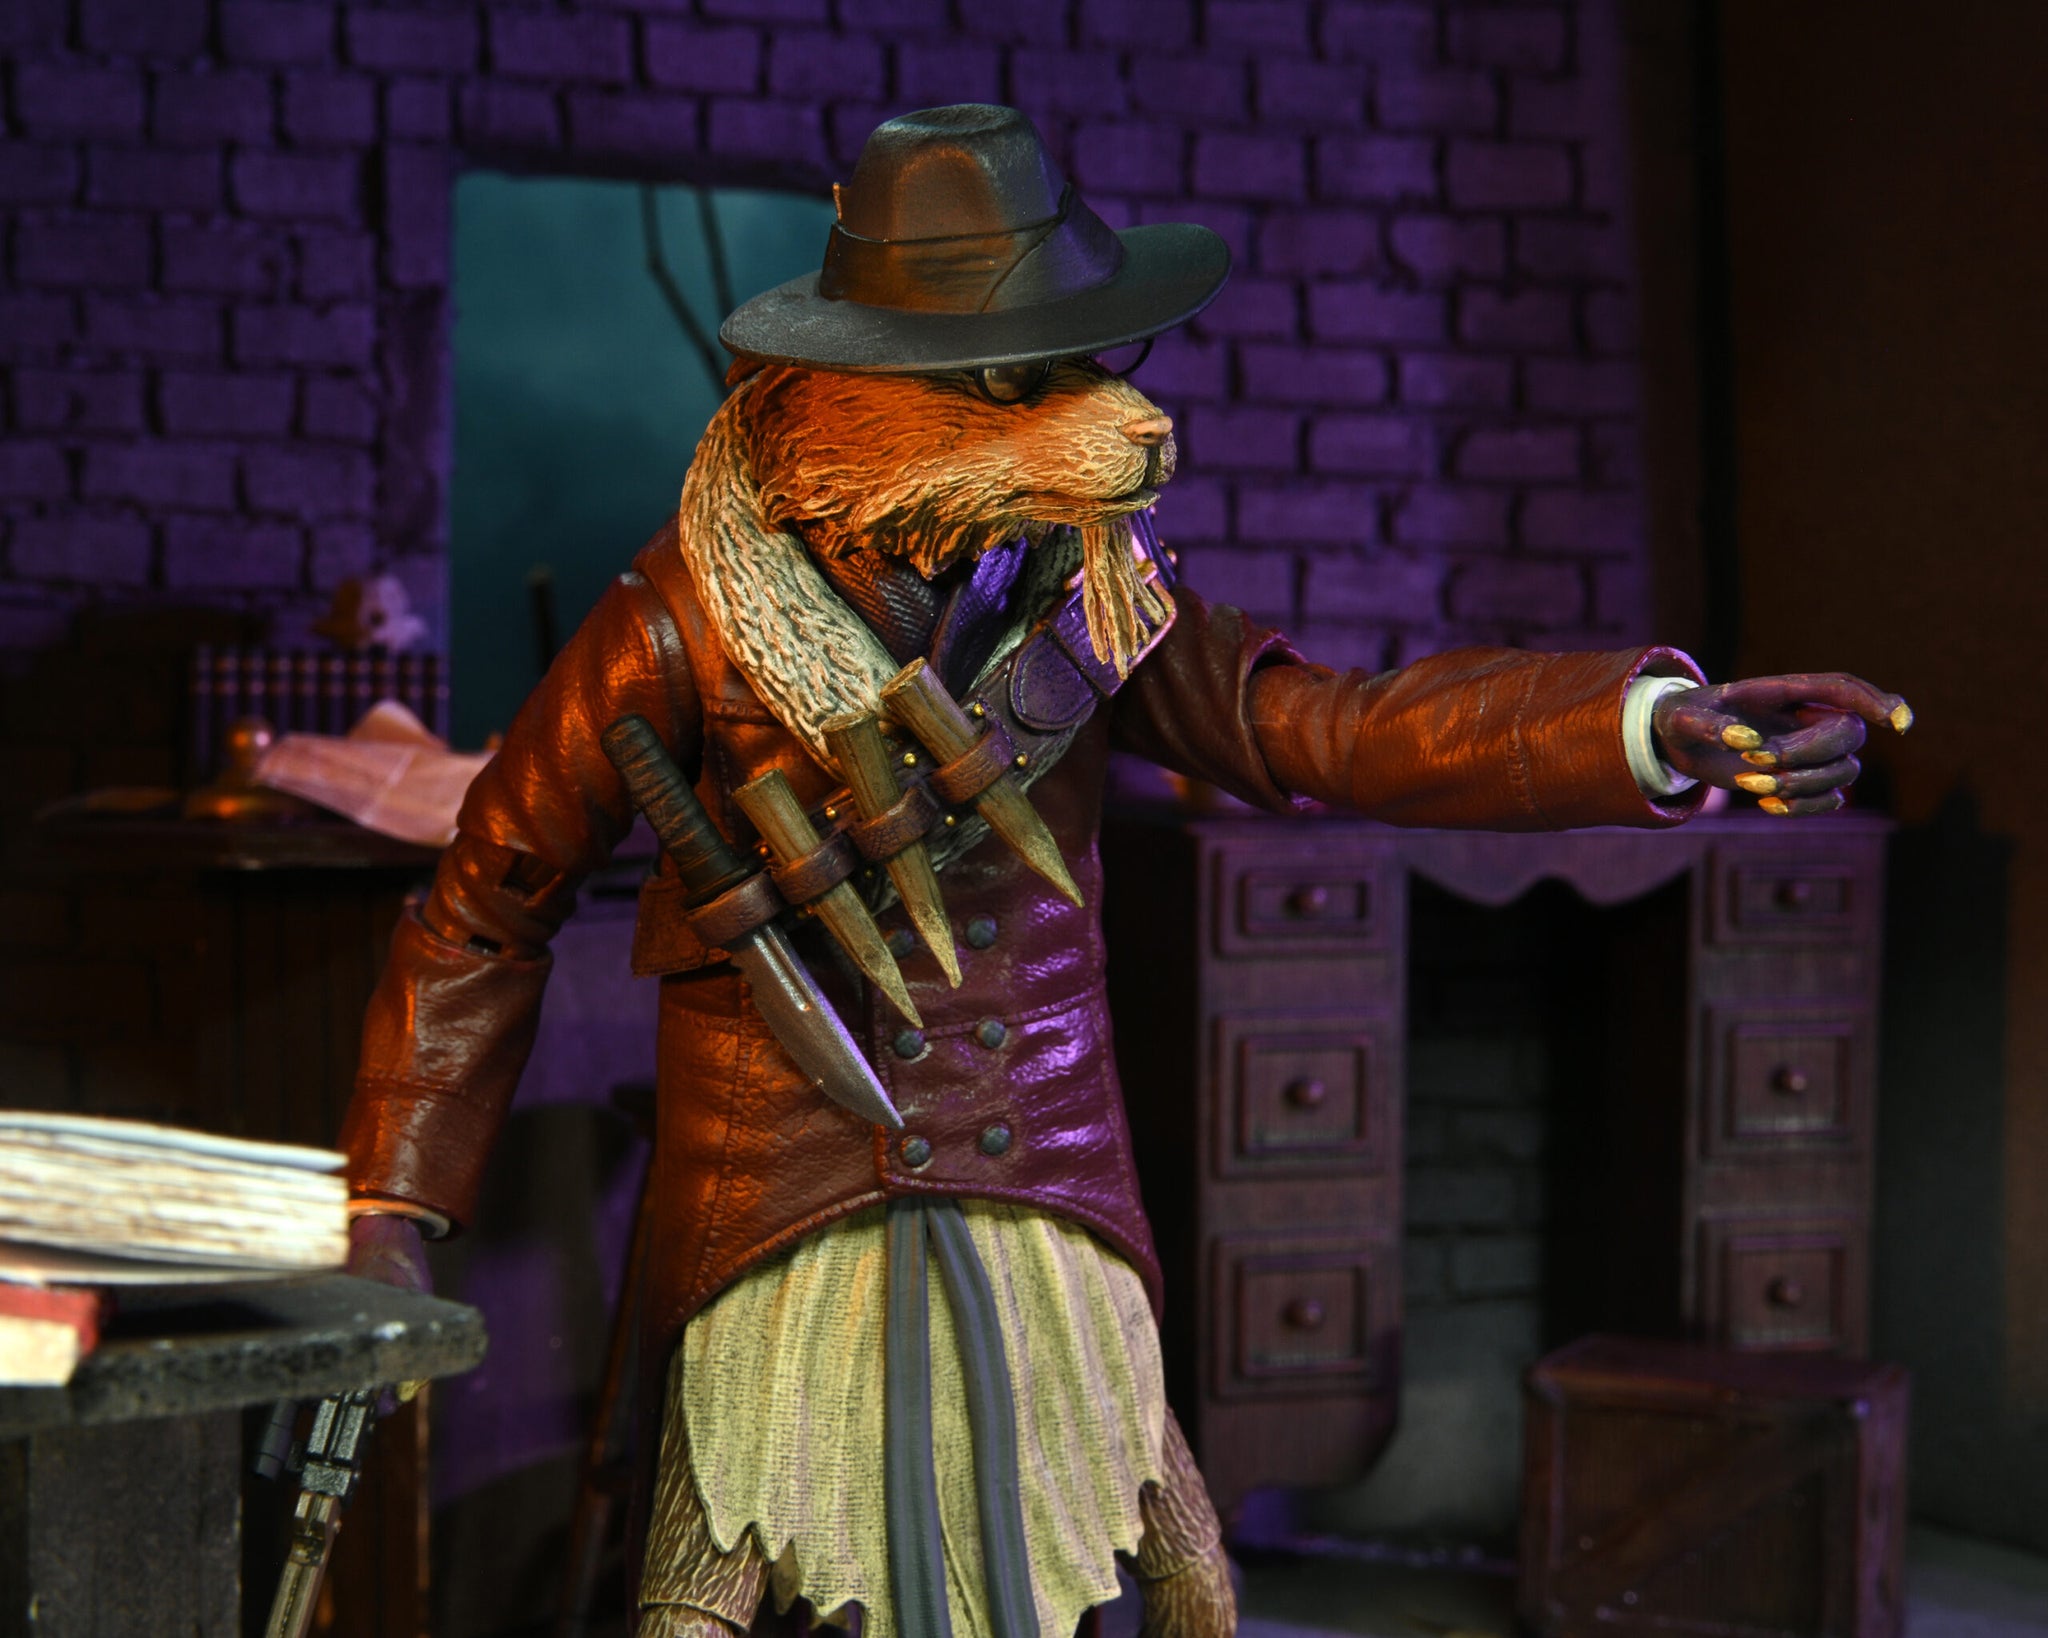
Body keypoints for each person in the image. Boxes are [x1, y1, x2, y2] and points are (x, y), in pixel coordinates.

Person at [339, 104, 1909, 1638]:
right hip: (782, 1183)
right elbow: (489, 896)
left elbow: (1329, 728)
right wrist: (398, 1195)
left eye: (1092, 359)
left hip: (1042, 1162)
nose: (1122, 416)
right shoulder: (684, 618)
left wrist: (1646, 726)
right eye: (1022, 379)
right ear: (873, 390)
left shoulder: (1094, 592)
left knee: (1191, 1582)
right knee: (707, 1590)